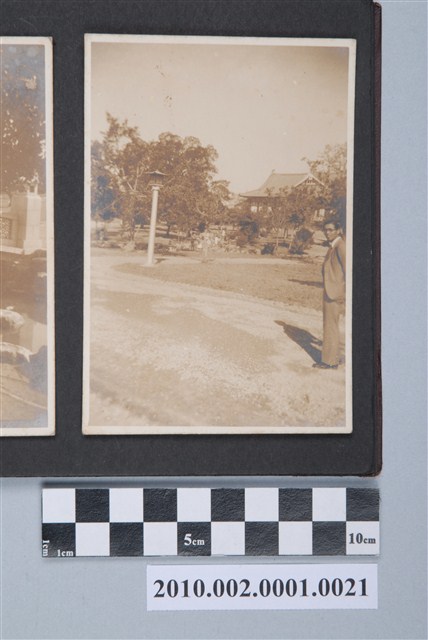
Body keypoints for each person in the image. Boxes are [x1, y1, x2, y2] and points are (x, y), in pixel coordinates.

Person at [313, 220, 346, 370]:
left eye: (331, 230)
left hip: (334, 294)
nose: (327, 232)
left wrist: (342, 293)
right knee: (331, 326)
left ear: (338, 230)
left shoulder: (341, 247)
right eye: (325, 230)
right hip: (330, 291)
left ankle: (329, 362)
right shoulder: (333, 246)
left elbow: (349, 272)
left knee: (330, 326)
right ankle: (334, 357)